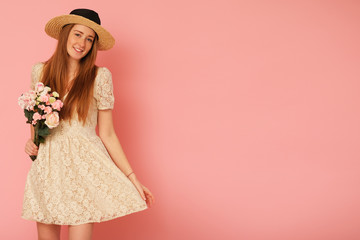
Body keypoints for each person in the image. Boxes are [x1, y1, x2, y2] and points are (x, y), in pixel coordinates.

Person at [21, 8, 154, 240]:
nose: (82, 43)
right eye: (78, 34)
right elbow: (36, 117)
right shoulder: (40, 71)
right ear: (65, 35)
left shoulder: (99, 77)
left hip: (84, 169)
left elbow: (107, 133)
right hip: (48, 168)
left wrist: (133, 177)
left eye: (89, 39)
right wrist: (32, 142)